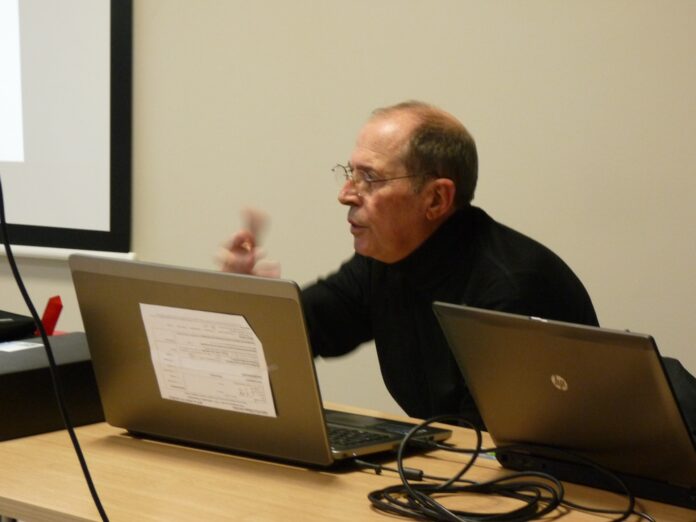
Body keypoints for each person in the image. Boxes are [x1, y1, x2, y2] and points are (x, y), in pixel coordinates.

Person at [219, 100, 599, 430]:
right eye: (350, 173)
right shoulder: (384, 261)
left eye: (369, 178)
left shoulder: (512, 290)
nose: (345, 194)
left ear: (436, 199)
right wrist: (247, 303)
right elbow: (301, 332)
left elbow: (487, 451)